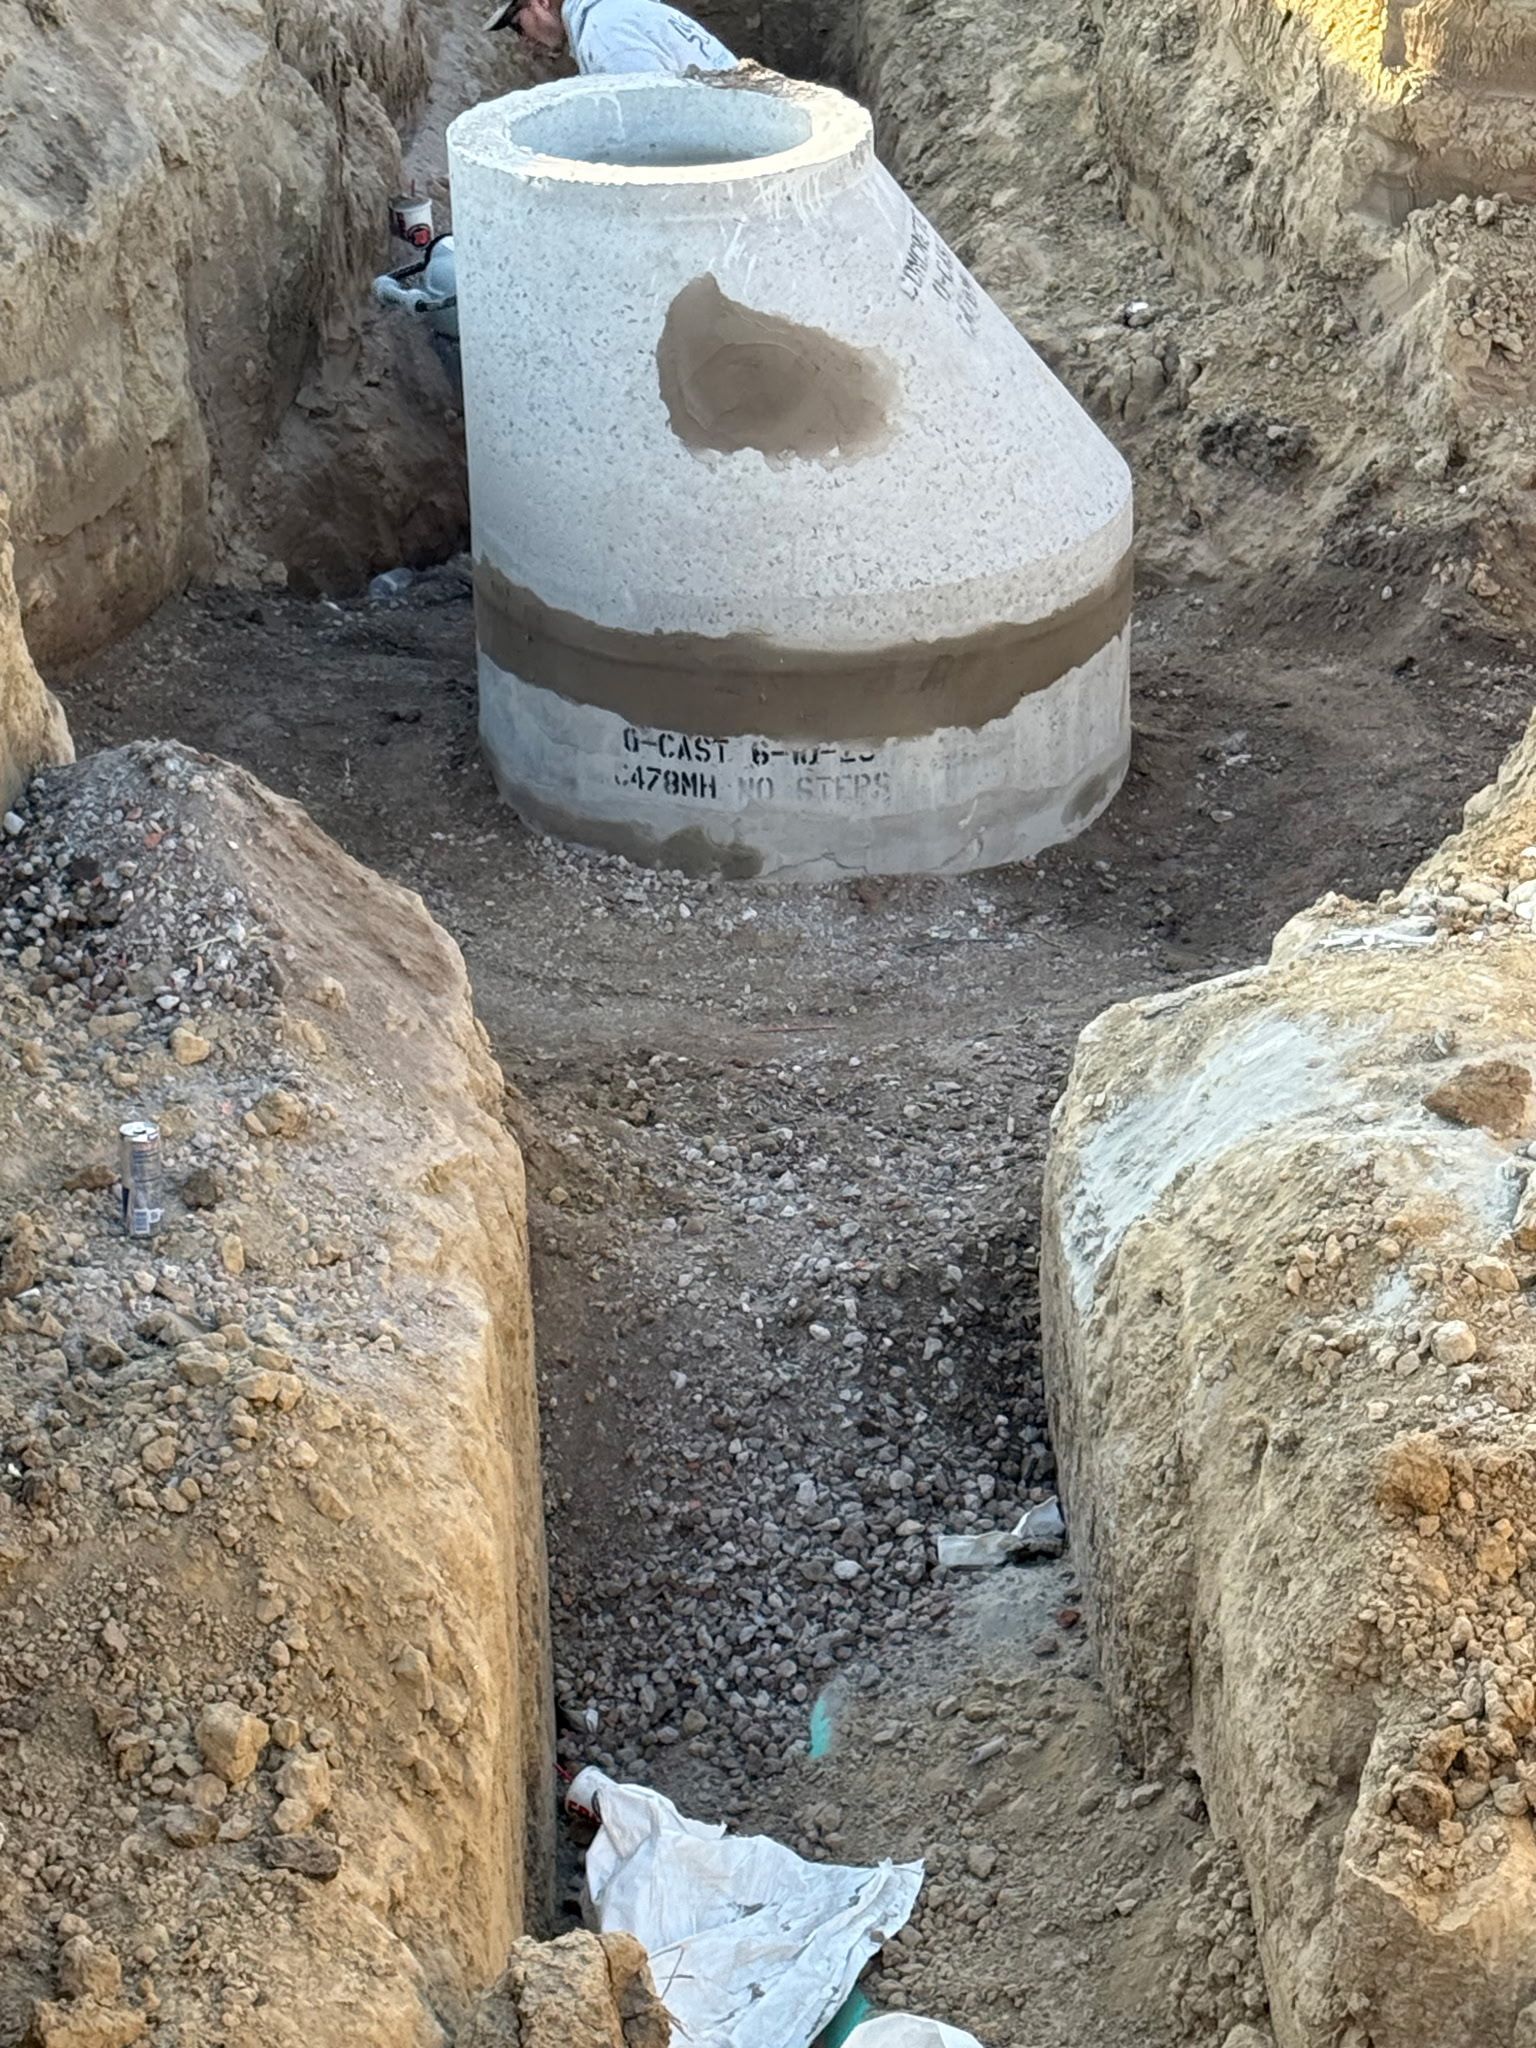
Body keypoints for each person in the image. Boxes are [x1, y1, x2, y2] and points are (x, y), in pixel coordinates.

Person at [485, 0, 738, 76]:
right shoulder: (614, 11)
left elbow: (652, 125)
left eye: (518, 26)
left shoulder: (605, 35)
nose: (524, 41)